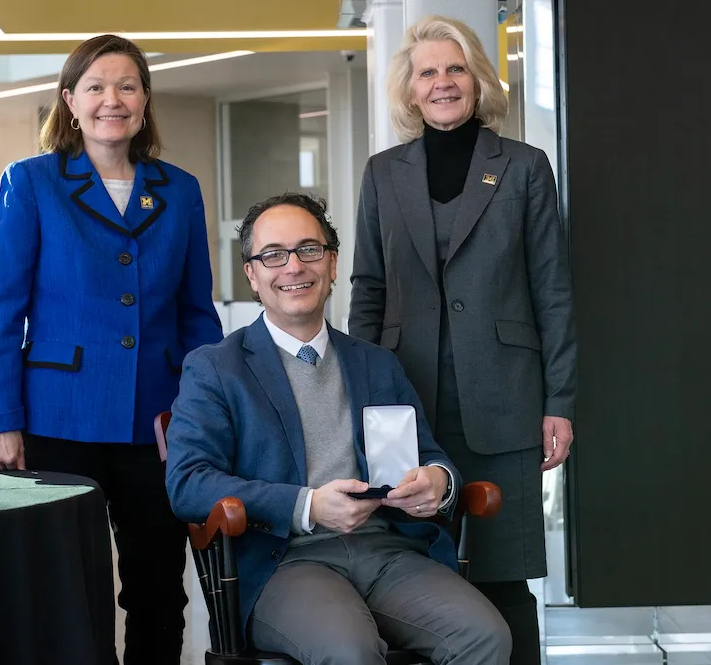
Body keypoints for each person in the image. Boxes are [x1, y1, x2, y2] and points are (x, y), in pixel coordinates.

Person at [0, 34, 223, 665]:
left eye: (128, 85)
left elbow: (196, 313)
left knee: (159, 588)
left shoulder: (179, 189)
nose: (113, 99)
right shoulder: (31, 182)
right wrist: (0, 420)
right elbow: (3, 307)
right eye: (97, 87)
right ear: (70, 101)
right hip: (58, 419)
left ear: (145, 100)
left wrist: (207, 413)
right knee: (68, 588)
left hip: (158, 422)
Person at [165, 192, 512, 665]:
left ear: (331, 264)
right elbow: (188, 483)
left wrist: (439, 481)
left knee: (485, 634)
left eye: (309, 250)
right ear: (252, 273)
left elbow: (428, 454)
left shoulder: (376, 363)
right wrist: (306, 505)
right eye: (273, 255)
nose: (293, 267)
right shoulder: (215, 368)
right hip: (284, 562)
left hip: (388, 551)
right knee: (349, 650)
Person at [348, 15, 577, 665]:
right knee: (404, 571)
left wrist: (559, 399)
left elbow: (552, 292)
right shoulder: (383, 173)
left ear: (478, 81)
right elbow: (367, 288)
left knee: (503, 576)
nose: (443, 82)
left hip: (504, 398)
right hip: (400, 399)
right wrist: (357, 396)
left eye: (456, 69)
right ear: (410, 90)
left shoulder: (525, 168)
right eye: (429, 72)